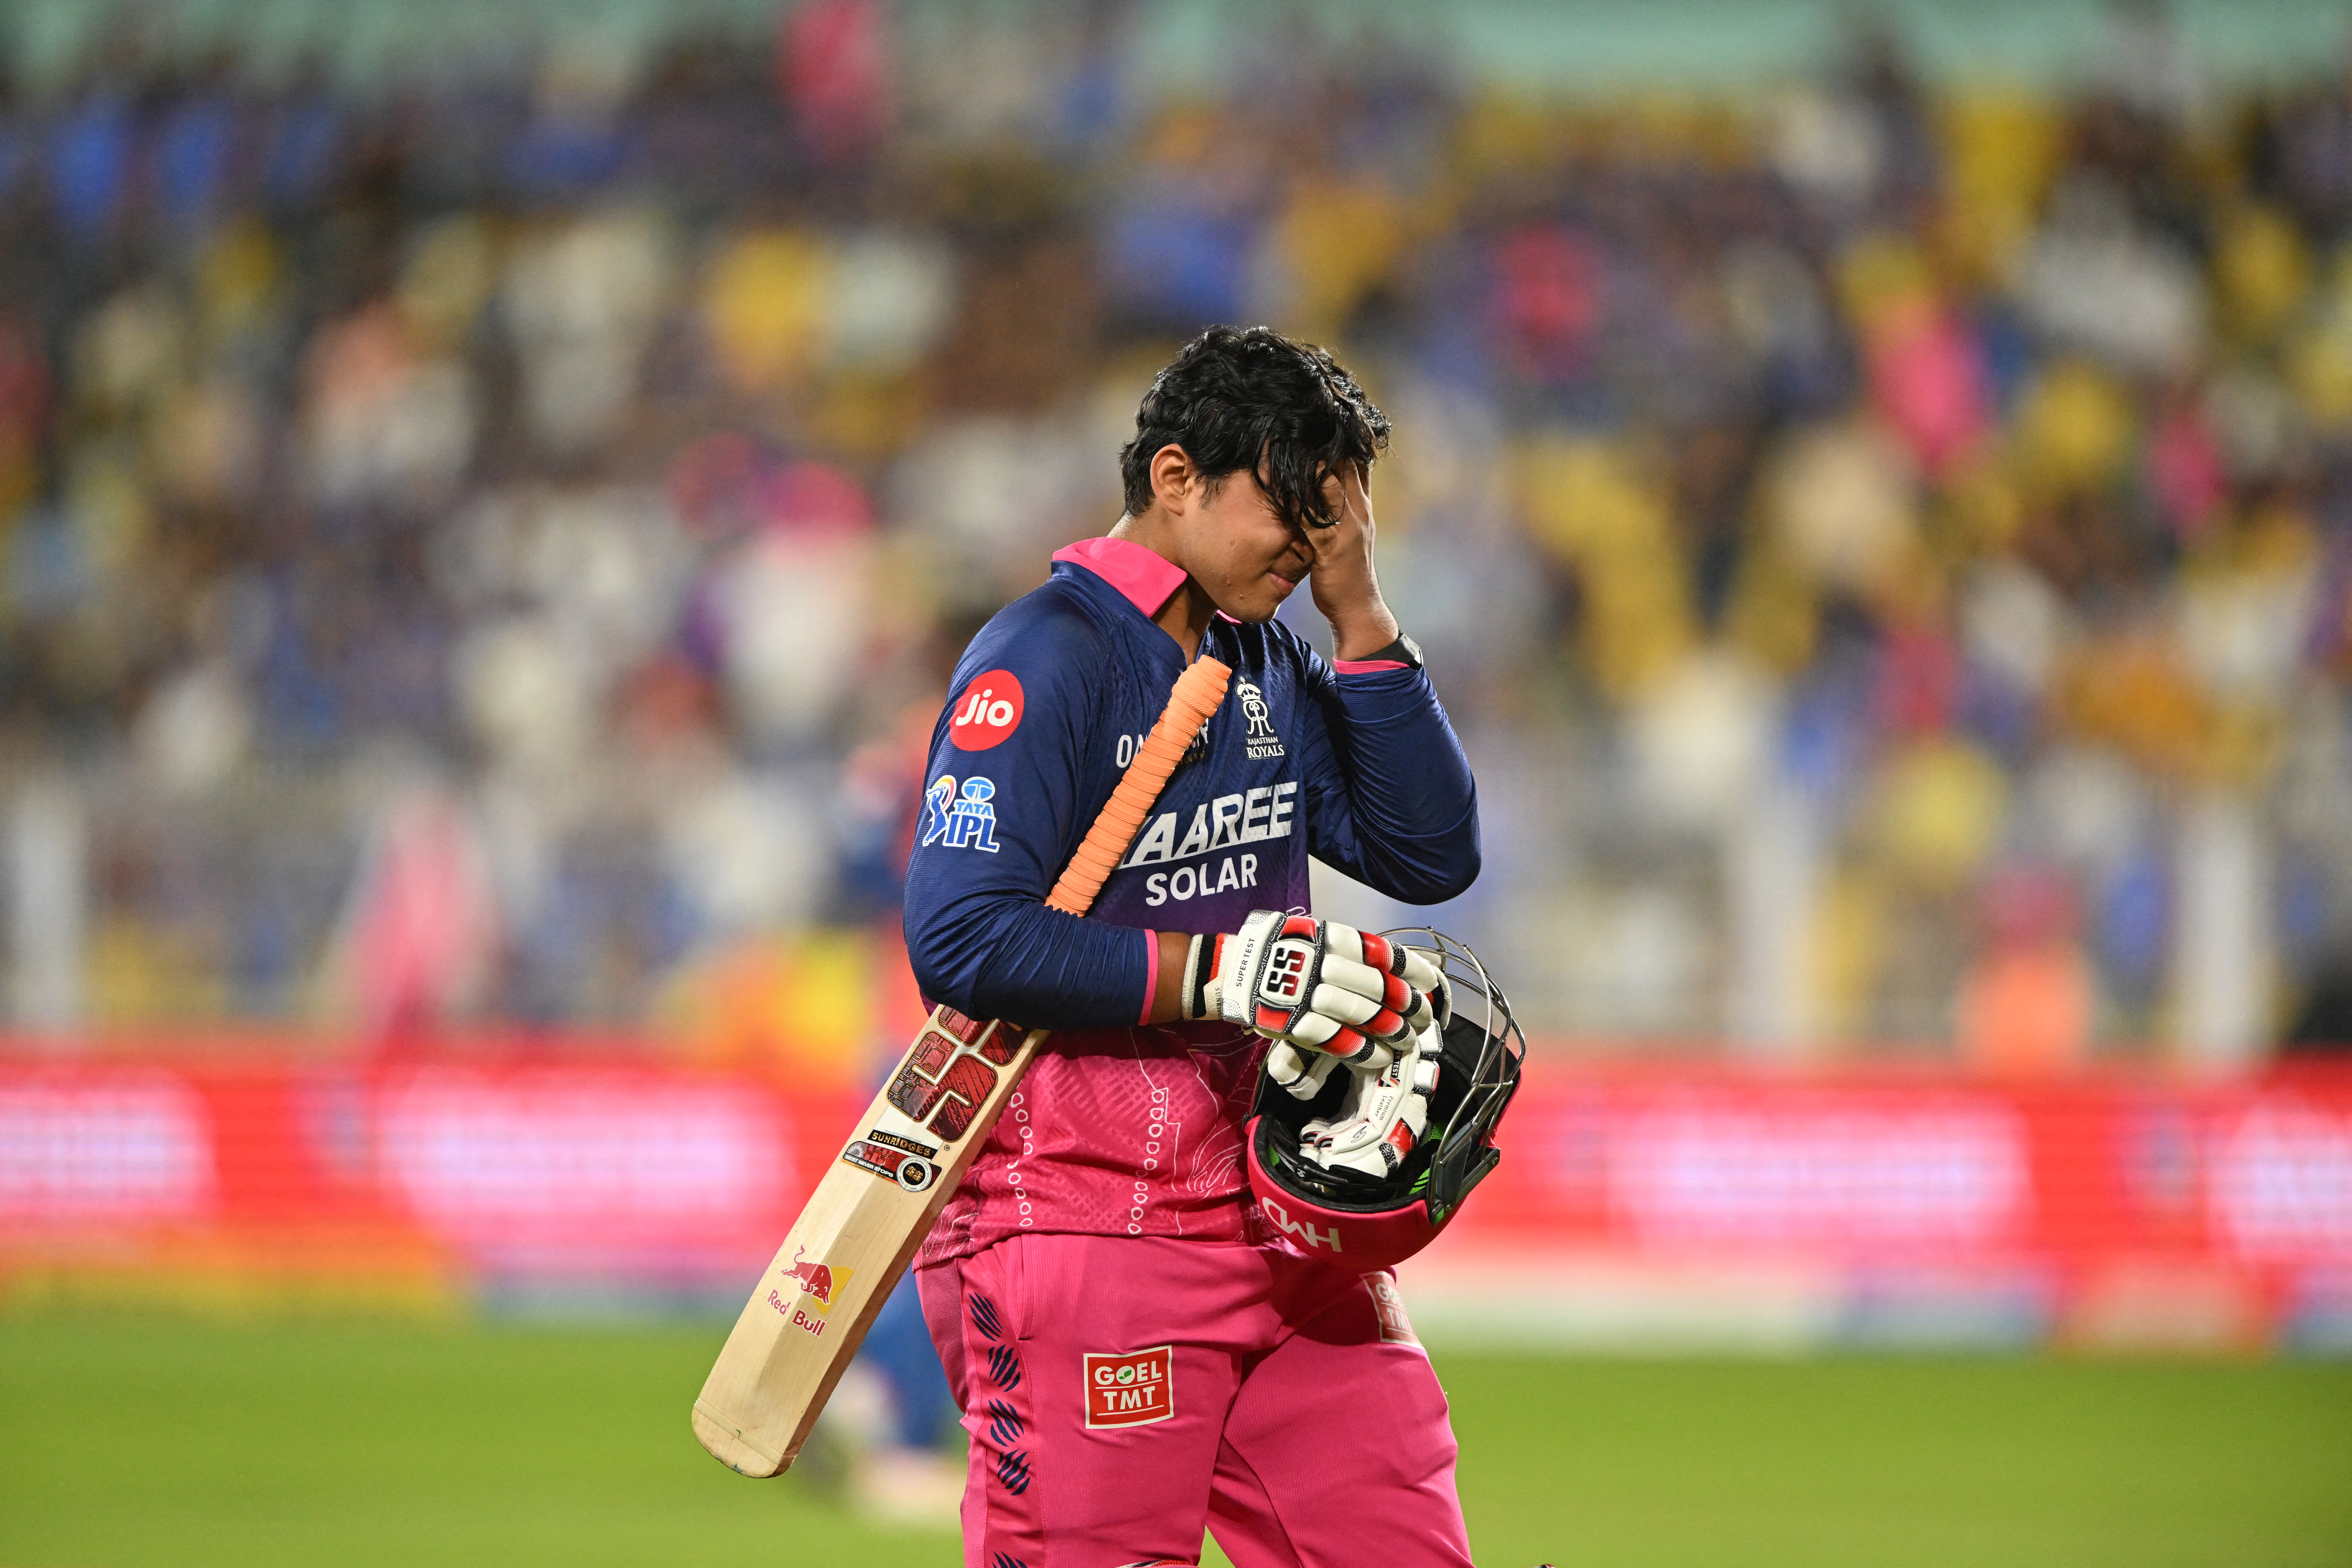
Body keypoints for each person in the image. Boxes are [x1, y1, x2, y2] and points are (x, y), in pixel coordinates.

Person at [902, 325, 1481, 1566]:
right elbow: (959, 935)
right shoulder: (1041, 656)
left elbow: (1429, 852)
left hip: (1280, 1224)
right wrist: (1224, 969)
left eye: (1336, 515)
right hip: (1078, 1223)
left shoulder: (1259, 649)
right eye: (1294, 508)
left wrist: (1362, 611)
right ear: (1177, 480)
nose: (1314, 543)